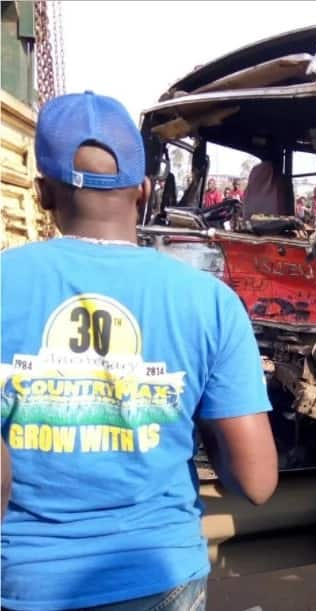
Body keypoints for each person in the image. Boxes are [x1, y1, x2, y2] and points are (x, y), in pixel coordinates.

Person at [0, 92, 278, 611]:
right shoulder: (209, 301)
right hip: (159, 577)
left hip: (26, 584)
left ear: (41, 193)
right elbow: (257, 483)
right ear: (145, 191)